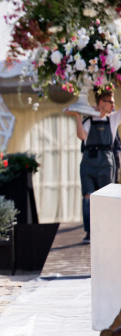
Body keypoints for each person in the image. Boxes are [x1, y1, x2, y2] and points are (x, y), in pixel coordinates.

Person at [66, 90, 120, 243]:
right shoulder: (89, 120)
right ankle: (90, 232)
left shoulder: (113, 119)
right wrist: (78, 117)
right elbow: (82, 136)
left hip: (106, 162)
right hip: (89, 162)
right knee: (88, 197)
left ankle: (108, 231)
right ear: (102, 103)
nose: (113, 105)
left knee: (107, 198)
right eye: (110, 102)